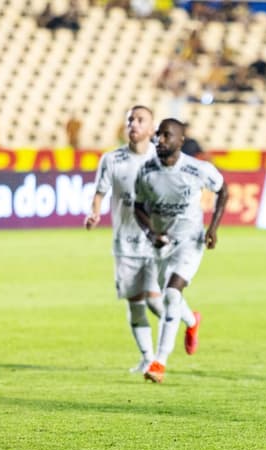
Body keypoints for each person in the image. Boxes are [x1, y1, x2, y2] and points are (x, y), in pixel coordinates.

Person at [85, 106, 202, 374]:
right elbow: (100, 193)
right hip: (125, 243)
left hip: (157, 241)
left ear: (152, 129)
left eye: (140, 120)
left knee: (155, 299)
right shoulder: (112, 160)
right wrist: (94, 212)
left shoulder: (162, 158)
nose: (133, 124)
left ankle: (186, 324)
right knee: (135, 303)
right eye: (130, 120)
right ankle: (148, 356)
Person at [133, 118, 229, 383]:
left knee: (172, 293)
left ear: (180, 141)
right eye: (158, 135)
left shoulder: (199, 169)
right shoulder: (146, 171)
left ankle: (159, 362)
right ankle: (191, 321)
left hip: (191, 241)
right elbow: (138, 206)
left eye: (167, 135)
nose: (160, 140)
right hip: (162, 242)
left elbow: (223, 190)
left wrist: (213, 228)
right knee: (157, 300)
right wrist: (152, 233)